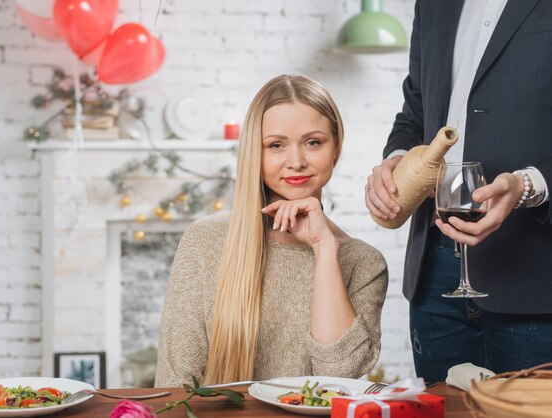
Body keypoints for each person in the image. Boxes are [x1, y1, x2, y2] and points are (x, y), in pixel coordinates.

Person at [155, 75, 388, 387]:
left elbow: (340, 376)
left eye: (313, 142)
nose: (296, 161)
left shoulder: (364, 262)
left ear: (336, 149)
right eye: (276, 145)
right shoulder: (206, 240)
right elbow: (176, 381)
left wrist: (324, 247)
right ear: (256, 152)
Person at [365, 0, 552, 383]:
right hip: (435, 272)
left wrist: (528, 185)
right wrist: (396, 161)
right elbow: (415, 111)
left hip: (533, 276)